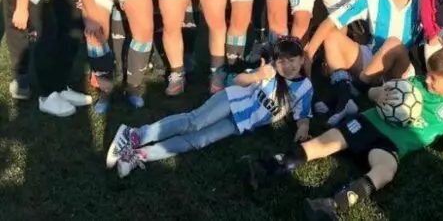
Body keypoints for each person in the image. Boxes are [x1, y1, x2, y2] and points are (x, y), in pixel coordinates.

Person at [238, 47, 443, 221]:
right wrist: (378, 94)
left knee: (386, 172)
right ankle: (266, 167)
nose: (426, 79)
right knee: (326, 142)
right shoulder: (414, 83)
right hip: (369, 123)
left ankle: (330, 206)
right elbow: (375, 94)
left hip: (391, 145)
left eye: (433, 79)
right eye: (428, 74)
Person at [109, 38, 313, 179]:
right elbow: (239, 80)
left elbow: (303, 113)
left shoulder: (305, 87)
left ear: (302, 59)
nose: (286, 66)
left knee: (198, 141)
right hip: (232, 100)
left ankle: (140, 154)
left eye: (292, 60)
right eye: (281, 61)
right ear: (275, 61)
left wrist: (303, 127)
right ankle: (136, 135)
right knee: (194, 121)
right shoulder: (268, 71)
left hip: (241, 123)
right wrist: (257, 75)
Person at [306, 0, 421, 126]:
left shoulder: (421, 0)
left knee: (393, 43)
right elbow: (333, 21)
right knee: (332, 37)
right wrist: (309, 51)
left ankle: (351, 91)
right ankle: (345, 98)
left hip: (399, 70)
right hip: (372, 60)